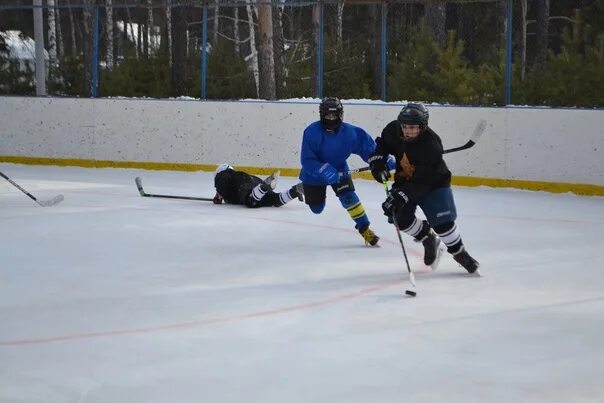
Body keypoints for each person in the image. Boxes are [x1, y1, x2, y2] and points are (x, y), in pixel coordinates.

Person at [368, 103, 479, 273]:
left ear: (423, 126)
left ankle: (459, 252)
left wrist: (401, 195)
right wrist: (377, 161)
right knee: (399, 217)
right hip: (406, 180)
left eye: (413, 128)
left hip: (434, 183)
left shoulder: (432, 145)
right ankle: (427, 238)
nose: (408, 131)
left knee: (443, 224)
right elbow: (382, 147)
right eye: (405, 127)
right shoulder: (393, 130)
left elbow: (424, 182)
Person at [299, 97, 393, 246]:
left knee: (349, 198)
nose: (331, 119)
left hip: (339, 170)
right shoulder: (311, 132)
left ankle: (364, 228)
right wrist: (322, 169)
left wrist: (382, 159)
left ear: (340, 115)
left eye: (334, 115)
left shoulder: (350, 133)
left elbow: (368, 148)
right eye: (328, 116)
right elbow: (307, 160)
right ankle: (300, 188)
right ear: (321, 115)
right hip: (314, 174)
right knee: (317, 208)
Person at [213, 164, 304, 208]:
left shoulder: (224, 174)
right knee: (274, 200)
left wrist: (219, 195)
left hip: (243, 186)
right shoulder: (237, 174)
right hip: (254, 182)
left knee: (251, 201)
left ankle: (263, 187)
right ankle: (295, 191)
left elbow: (222, 185)